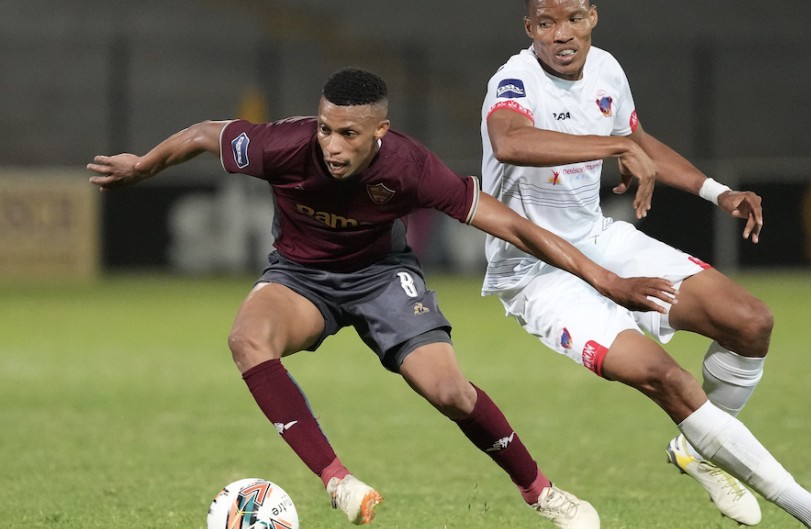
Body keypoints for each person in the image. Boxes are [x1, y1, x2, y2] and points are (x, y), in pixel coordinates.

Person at [86, 67, 677, 528]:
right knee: (247, 339)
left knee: (449, 390)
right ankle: (338, 481)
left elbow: (515, 227)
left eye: (348, 133)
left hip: (381, 276)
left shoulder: (412, 167)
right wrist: (143, 166)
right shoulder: (281, 145)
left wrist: (604, 280)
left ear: (379, 132)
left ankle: (543, 493)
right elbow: (199, 135)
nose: (332, 145)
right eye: (325, 128)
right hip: (300, 277)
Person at [479, 1, 811, 529]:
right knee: (662, 375)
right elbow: (509, 141)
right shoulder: (515, 80)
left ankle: (696, 451)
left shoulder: (607, 70)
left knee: (750, 321)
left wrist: (717, 192)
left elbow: (639, 143)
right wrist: (616, 143)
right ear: (530, 29)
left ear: (593, 16)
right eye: (547, 23)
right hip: (535, 271)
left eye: (573, 18)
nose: (562, 34)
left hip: (598, 238)